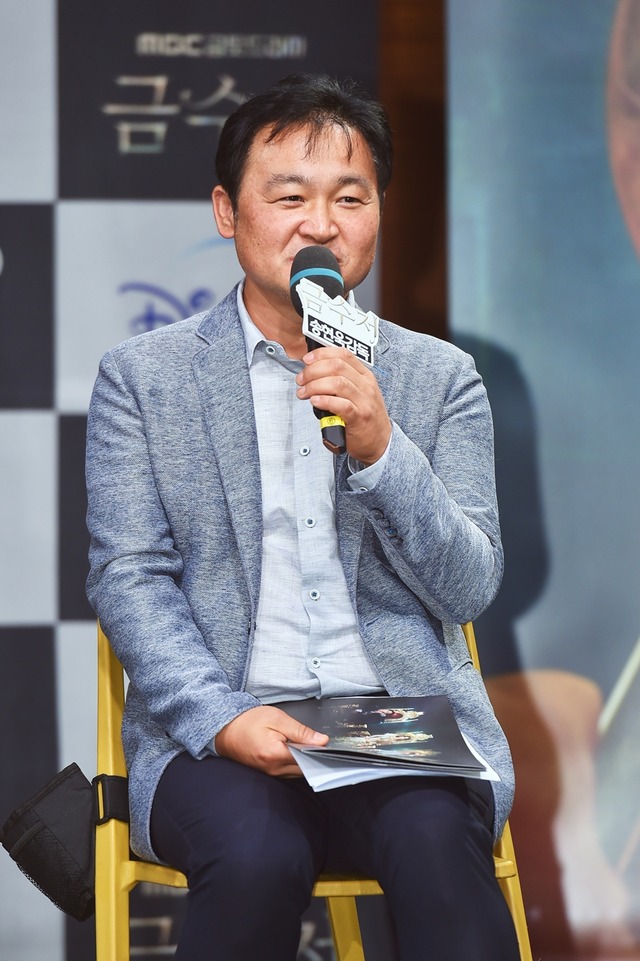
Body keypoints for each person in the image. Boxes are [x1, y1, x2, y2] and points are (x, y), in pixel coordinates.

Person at [86, 73, 519, 961]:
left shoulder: (440, 378)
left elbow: (469, 587)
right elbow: (129, 576)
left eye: (349, 198)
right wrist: (221, 717)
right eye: (289, 197)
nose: (320, 225)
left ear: (377, 214)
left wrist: (382, 449)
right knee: (256, 853)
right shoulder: (143, 378)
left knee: (436, 840)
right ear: (227, 211)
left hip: (395, 729)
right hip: (224, 729)